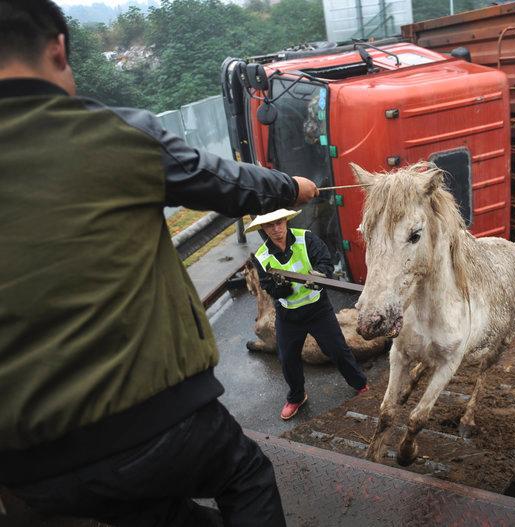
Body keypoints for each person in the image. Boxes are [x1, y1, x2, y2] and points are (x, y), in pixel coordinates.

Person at [0, 2, 319, 525]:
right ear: (58, 46)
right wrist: (292, 187)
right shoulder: (113, 134)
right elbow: (225, 181)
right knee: (245, 476)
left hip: (28, 468)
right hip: (155, 424)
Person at [246, 209, 369, 420]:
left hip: (317, 308)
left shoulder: (306, 238)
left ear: (285, 221)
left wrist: (318, 275)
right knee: (287, 358)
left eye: (279, 222)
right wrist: (282, 288)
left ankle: (360, 384)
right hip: (288, 315)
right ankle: (296, 396)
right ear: (263, 229)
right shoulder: (260, 256)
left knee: (338, 350)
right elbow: (268, 287)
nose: (276, 229)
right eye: (270, 225)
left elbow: (325, 263)